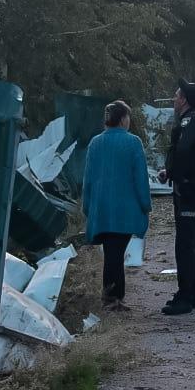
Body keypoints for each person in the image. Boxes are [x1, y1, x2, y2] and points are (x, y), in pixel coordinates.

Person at [83, 100, 151, 311]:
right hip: (125, 211)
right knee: (115, 253)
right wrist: (145, 204)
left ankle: (112, 296)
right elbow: (140, 178)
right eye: (128, 117)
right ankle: (113, 298)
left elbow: (88, 179)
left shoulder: (95, 143)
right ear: (123, 119)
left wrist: (87, 207)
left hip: (102, 209)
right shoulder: (133, 143)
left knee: (112, 253)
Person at [158, 81, 195, 315]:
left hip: (190, 190)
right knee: (194, 243)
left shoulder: (189, 121)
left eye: (176, 95)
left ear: (184, 100)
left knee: (185, 245)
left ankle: (185, 296)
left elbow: (182, 150)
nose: (173, 99)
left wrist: (173, 174)